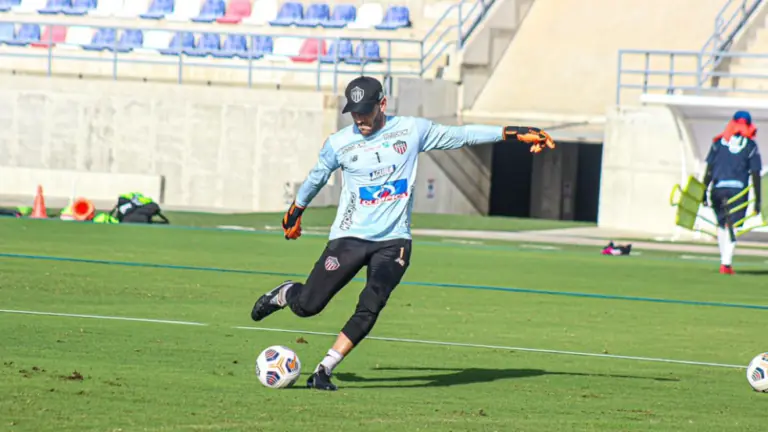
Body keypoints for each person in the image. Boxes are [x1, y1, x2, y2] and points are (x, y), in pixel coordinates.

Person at [250, 76, 556, 390]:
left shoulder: (411, 131)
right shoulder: (339, 143)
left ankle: (324, 369)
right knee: (308, 307)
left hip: (394, 241)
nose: (359, 118)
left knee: (372, 303)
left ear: (382, 104)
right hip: (349, 237)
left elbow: (462, 135)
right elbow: (317, 176)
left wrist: (512, 133)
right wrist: (297, 208)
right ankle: (287, 292)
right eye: (354, 111)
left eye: (366, 110)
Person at [702, 110, 762, 275]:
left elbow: (709, 169)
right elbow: (756, 173)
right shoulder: (750, 145)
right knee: (733, 225)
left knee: (722, 225)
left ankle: (724, 261)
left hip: (718, 188)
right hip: (738, 190)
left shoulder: (718, 143)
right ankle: (726, 263)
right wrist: (758, 199)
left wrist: (703, 191)